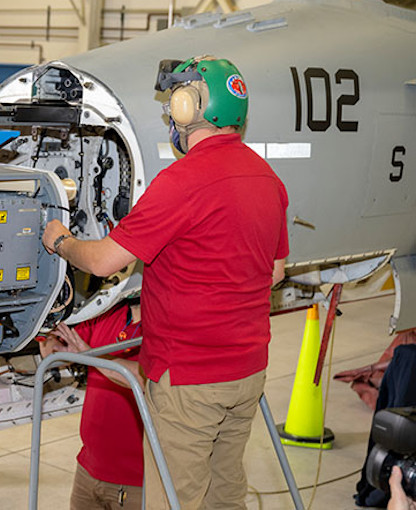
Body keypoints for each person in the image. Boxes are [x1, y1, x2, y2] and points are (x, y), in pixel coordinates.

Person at [42, 56, 288, 509]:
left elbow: (103, 261)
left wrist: (61, 240)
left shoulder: (182, 181)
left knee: (175, 499)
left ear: (188, 106)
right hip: (247, 372)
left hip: (190, 380)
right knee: (224, 497)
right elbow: (275, 272)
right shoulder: (266, 178)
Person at [39, 300, 144, 509]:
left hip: (136, 482)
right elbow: (56, 354)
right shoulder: (105, 312)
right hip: (88, 469)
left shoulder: (165, 327)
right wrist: (44, 330)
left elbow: (144, 380)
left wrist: (90, 354)